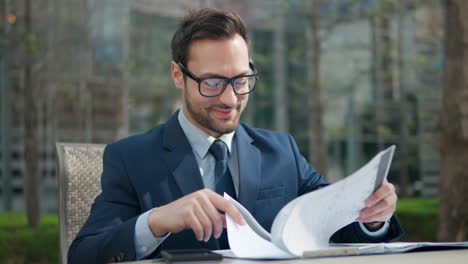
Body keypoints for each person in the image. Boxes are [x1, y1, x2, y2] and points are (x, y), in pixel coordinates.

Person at [68, 8, 404, 263]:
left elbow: (335, 223)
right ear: (177, 75)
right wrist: (154, 221)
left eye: (240, 80)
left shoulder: (281, 151)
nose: (230, 99)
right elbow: (84, 254)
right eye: (212, 82)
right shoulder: (130, 158)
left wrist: (373, 216)